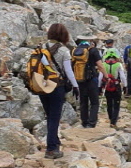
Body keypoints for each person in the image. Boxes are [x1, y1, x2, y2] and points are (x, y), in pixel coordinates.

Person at [38, 23, 79, 159]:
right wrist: (75, 86)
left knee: (49, 115)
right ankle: (51, 149)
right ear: (63, 35)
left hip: (42, 85)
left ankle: (54, 142)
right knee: (54, 117)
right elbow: (68, 71)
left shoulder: (42, 48)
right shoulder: (63, 51)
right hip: (57, 86)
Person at [73, 36, 108, 129]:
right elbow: (100, 65)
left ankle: (84, 121)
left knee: (83, 101)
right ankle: (91, 123)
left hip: (80, 78)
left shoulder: (76, 50)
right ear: (91, 40)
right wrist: (106, 75)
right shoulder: (93, 50)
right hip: (91, 78)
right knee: (94, 102)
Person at [98, 48, 127, 128]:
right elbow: (123, 77)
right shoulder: (118, 65)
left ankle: (111, 118)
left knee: (109, 103)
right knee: (116, 105)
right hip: (116, 86)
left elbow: (100, 78)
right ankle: (113, 122)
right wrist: (125, 87)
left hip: (107, 86)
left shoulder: (103, 64)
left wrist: (99, 88)